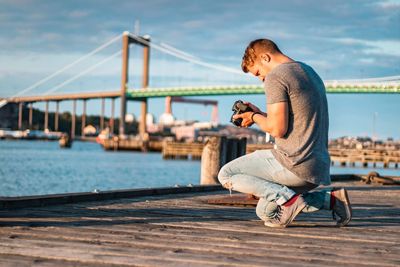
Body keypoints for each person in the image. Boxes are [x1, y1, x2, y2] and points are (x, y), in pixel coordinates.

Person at [218, 39, 352, 228]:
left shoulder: (276, 76)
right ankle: (331, 200)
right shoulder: (309, 72)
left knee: (226, 174)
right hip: (316, 168)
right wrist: (259, 114)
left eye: (258, 72)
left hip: (293, 163)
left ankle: (289, 201)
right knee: (265, 212)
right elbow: (291, 123)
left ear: (265, 57)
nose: (261, 79)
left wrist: (254, 117)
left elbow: (277, 129)